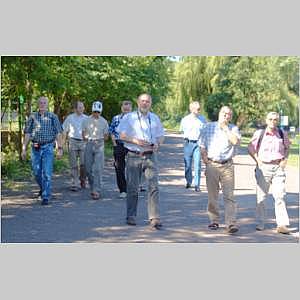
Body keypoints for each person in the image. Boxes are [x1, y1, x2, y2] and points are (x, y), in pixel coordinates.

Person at [117, 93, 164, 229]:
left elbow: (161, 136)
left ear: (150, 103)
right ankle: (131, 215)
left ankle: (154, 217)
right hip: (134, 155)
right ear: (138, 102)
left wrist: (158, 144)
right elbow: (121, 135)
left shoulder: (155, 118)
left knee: (154, 187)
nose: (145, 103)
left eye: (147, 102)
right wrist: (135, 140)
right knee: (132, 187)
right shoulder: (129, 117)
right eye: (142, 101)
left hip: (150, 156)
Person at [248, 112, 291, 234]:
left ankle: (282, 224)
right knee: (261, 197)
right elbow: (250, 147)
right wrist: (258, 161)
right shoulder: (259, 133)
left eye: (275, 119)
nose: (273, 121)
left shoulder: (282, 133)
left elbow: (287, 148)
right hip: (264, 168)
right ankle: (261, 222)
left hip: (278, 168)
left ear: (278, 121)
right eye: (270, 119)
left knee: (280, 196)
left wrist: (284, 160)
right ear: (266, 120)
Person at [200, 106, 241, 234]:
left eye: (229, 114)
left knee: (229, 196)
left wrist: (225, 128)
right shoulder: (208, 127)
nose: (226, 116)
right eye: (224, 113)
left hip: (227, 165)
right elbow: (202, 145)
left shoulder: (233, 128)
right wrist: (205, 160)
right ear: (219, 113)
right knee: (213, 195)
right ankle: (214, 220)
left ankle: (231, 224)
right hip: (212, 164)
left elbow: (235, 141)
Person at [21, 96, 63, 205]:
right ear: (37, 104)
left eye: (44, 103)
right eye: (40, 103)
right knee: (36, 172)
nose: (42, 104)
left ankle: (46, 196)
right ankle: (43, 188)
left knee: (47, 173)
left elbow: (59, 133)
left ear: (47, 104)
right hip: (35, 148)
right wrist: (24, 148)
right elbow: (27, 133)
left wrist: (60, 148)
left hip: (48, 147)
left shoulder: (53, 117)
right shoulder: (32, 117)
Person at [82, 101, 109, 200]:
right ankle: (93, 186)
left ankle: (96, 190)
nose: (96, 113)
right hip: (89, 143)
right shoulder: (86, 120)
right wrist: (86, 137)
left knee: (98, 169)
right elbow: (83, 134)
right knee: (88, 169)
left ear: (100, 112)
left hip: (100, 144)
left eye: (98, 112)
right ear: (92, 110)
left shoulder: (104, 121)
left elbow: (106, 136)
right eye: (94, 111)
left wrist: (101, 138)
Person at [180, 101, 206, 192]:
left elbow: (205, 132)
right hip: (188, 143)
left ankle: (197, 184)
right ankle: (188, 181)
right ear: (191, 109)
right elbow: (181, 130)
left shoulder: (202, 119)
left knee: (198, 164)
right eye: (197, 109)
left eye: (199, 108)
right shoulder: (185, 119)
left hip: (198, 144)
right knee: (187, 165)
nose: (199, 110)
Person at [62, 101, 88, 191]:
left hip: (83, 142)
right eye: (80, 107)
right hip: (72, 141)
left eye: (83, 107)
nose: (82, 109)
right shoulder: (70, 118)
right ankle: (74, 183)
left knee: (83, 164)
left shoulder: (87, 118)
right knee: (73, 164)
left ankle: (83, 179)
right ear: (75, 109)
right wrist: (62, 144)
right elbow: (64, 131)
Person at [109, 100, 132, 198]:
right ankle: (123, 189)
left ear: (131, 108)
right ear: (121, 107)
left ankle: (134, 186)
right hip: (119, 144)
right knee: (119, 167)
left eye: (128, 106)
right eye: (124, 106)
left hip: (132, 145)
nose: (126, 108)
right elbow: (112, 131)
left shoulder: (136, 119)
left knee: (134, 167)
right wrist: (114, 144)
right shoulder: (116, 118)